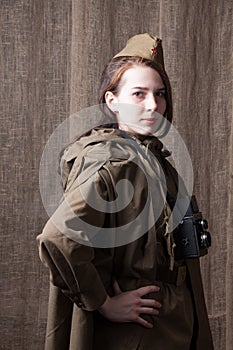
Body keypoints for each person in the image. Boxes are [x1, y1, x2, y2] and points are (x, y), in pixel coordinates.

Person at [37, 33, 214, 349]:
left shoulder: (153, 158)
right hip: (140, 332)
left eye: (159, 94)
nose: (153, 104)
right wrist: (103, 302)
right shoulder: (112, 159)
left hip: (175, 320)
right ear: (111, 100)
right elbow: (58, 239)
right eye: (138, 93)